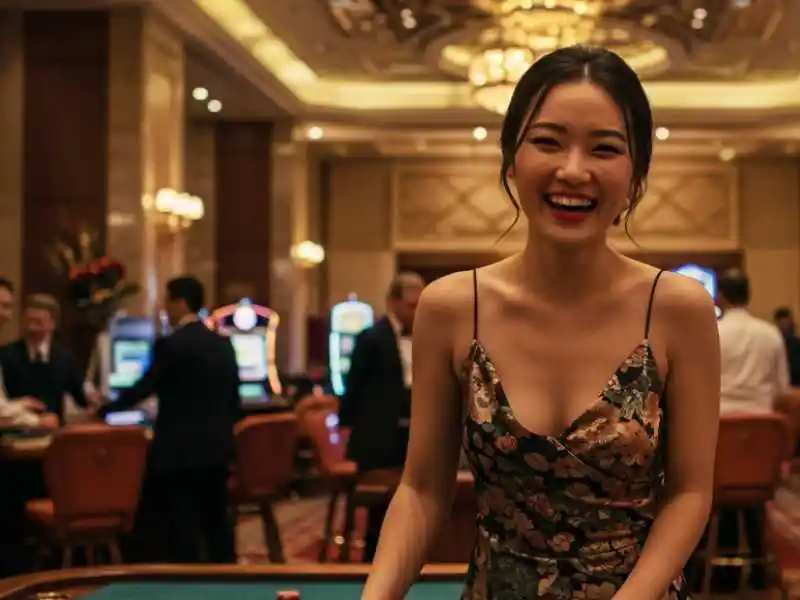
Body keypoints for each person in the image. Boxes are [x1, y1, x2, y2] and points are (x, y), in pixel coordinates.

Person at [361, 45, 720, 600]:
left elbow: (690, 491)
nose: (572, 171)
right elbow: (423, 490)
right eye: (548, 142)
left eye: (605, 148)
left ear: (635, 175)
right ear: (511, 159)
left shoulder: (677, 307)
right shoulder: (452, 306)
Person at [98, 276, 242, 564]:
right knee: (217, 521)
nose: (165, 308)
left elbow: (144, 387)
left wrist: (103, 410)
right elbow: (233, 401)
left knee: (181, 523)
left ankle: (185, 583)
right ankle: (228, 581)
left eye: (167, 301)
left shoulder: (172, 344)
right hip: (217, 447)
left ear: (180, 302)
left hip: (178, 450)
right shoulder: (223, 344)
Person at [338, 271, 425, 562]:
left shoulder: (427, 336)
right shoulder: (371, 337)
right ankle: (374, 560)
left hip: (414, 432)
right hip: (378, 438)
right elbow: (354, 388)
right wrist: (348, 428)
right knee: (381, 507)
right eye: (412, 306)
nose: (417, 312)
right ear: (393, 303)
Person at [1, 292, 87, 426]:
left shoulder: (64, 358)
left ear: (52, 323)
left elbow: (82, 397)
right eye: (28, 321)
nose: (31, 327)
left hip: (56, 434)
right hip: (15, 432)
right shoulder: (6, 355)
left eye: (38, 322)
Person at [717, 270, 789, 414]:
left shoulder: (711, 334)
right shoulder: (770, 333)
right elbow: (782, 388)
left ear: (720, 296)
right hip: (762, 425)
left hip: (721, 426)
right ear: (748, 296)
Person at [773, 306, 800, 386]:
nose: (790, 327)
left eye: (790, 324)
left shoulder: (797, 345)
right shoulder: (773, 345)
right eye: (785, 324)